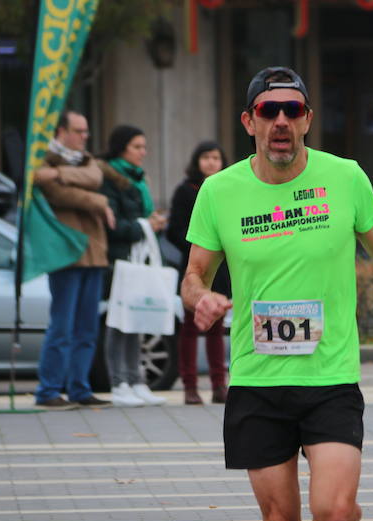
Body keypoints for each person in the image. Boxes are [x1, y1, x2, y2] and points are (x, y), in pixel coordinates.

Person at [181, 66, 373, 521]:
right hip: (258, 381)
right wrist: (200, 298)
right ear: (249, 122)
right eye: (268, 111)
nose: (281, 120)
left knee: (336, 511)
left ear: (307, 120)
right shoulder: (218, 191)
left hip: (329, 376)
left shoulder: (345, 177)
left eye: (292, 111)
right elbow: (194, 275)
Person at [33, 110, 115, 410]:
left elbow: (95, 178)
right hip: (67, 253)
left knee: (86, 328)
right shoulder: (43, 159)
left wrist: (60, 174)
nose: (84, 137)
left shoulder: (79, 160)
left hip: (93, 253)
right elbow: (59, 196)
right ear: (61, 132)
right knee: (62, 326)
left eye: (86, 131)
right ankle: (48, 389)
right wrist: (100, 202)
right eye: (79, 131)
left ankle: (80, 388)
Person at [98, 125, 169, 408]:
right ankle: (119, 383)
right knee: (119, 323)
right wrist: (145, 226)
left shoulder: (138, 179)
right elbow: (113, 226)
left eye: (144, 146)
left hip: (138, 257)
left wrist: (153, 225)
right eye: (137, 147)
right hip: (119, 259)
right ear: (122, 148)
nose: (143, 152)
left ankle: (137, 380)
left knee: (138, 319)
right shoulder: (110, 177)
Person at [167, 141, 231, 405]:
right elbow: (174, 230)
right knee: (191, 329)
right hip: (196, 267)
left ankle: (219, 385)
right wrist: (203, 245)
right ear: (197, 161)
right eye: (205, 157)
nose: (211, 162)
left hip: (223, 269)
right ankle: (190, 386)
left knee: (217, 327)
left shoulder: (228, 188)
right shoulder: (185, 191)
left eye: (216, 157)